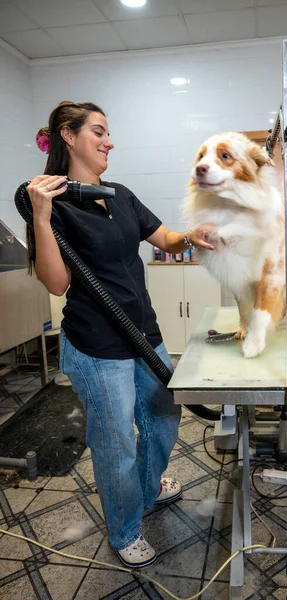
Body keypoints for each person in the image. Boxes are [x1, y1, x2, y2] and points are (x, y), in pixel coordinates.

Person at [26, 101, 214, 569]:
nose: (109, 141)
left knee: (164, 422)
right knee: (117, 444)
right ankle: (126, 528)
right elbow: (56, 282)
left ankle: (145, 490)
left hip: (144, 334)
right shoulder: (51, 203)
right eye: (99, 131)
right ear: (67, 137)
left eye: (109, 133)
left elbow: (165, 238)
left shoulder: (121, 193)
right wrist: (42, 217)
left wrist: (194, 234)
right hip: (96, 346)